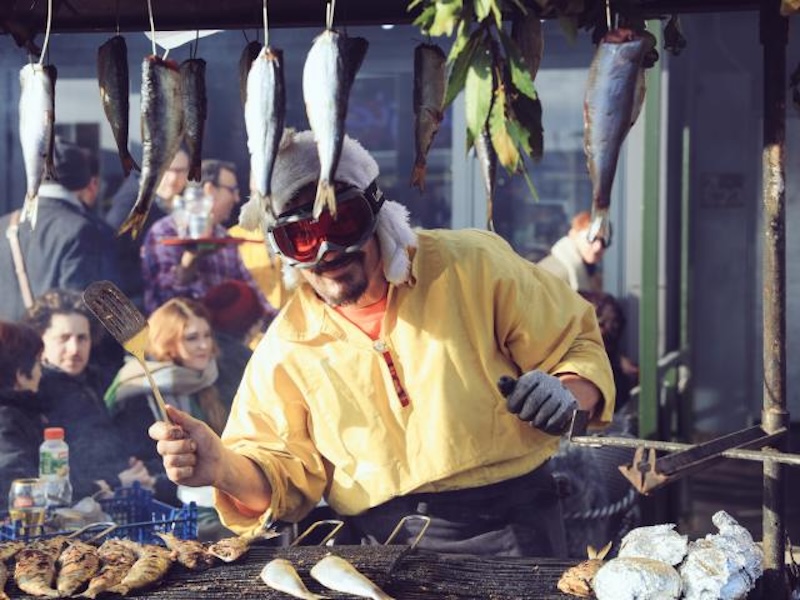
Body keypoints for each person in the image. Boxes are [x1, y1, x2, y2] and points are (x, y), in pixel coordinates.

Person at [149, 129, 615, 558]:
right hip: (382, 543)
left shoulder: (472, 265)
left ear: (375, 211)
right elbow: (281, 472)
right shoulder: (289, 344)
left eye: (342, 223)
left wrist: (568, 391)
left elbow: (575, 341)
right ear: (281, 248)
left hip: (510, 524)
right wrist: (222, 468)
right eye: (301, 237)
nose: (328, 251)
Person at [105, 297, 233, 540]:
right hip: (168, 506)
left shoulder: (212, 378)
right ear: (167, 342)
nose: (204, 345)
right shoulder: (136, 391)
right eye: (191, 338)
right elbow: (141, 464)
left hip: (216, 490)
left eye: (207, 335)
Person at [25, 289, 161, 501]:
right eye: (63, 338)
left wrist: (145, 473)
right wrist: (115, 480)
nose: (74, 349)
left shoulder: (110, 383)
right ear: (40, 340)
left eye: (82, 338)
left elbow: (146, 446)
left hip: (136, 496)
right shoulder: (32, 394)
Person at [0, 138, 118, 321]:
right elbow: (78, 308)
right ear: (83, 181)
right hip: (50, 337)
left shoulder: (5, 224)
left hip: (7, 337)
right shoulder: (81, 230)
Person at [140, 159, 277, 317]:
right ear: (209, 190)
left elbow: (254, 298)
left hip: (220, 331)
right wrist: (191, 258)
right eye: (232, 190)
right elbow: (168, 303)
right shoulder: (163, 232)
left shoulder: (224, 237)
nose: (237, 198)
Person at [105, 149, 189, 311]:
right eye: (166, 169)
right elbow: (111, 254)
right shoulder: (130, 204)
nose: (173, 179)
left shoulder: (175, 202)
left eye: (181, 171)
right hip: (135, 301)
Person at [0, 320, 46, 502]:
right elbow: (17, 478)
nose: (41, 372)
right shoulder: (6, 420)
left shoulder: (21, 413)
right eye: (38, 363)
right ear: (21, 374)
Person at [537, 210, 608, 293]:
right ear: (573, 234)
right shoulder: (558, 274)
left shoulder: (591, 273)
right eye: (592, 238)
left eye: (604, 241)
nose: (598, 247)